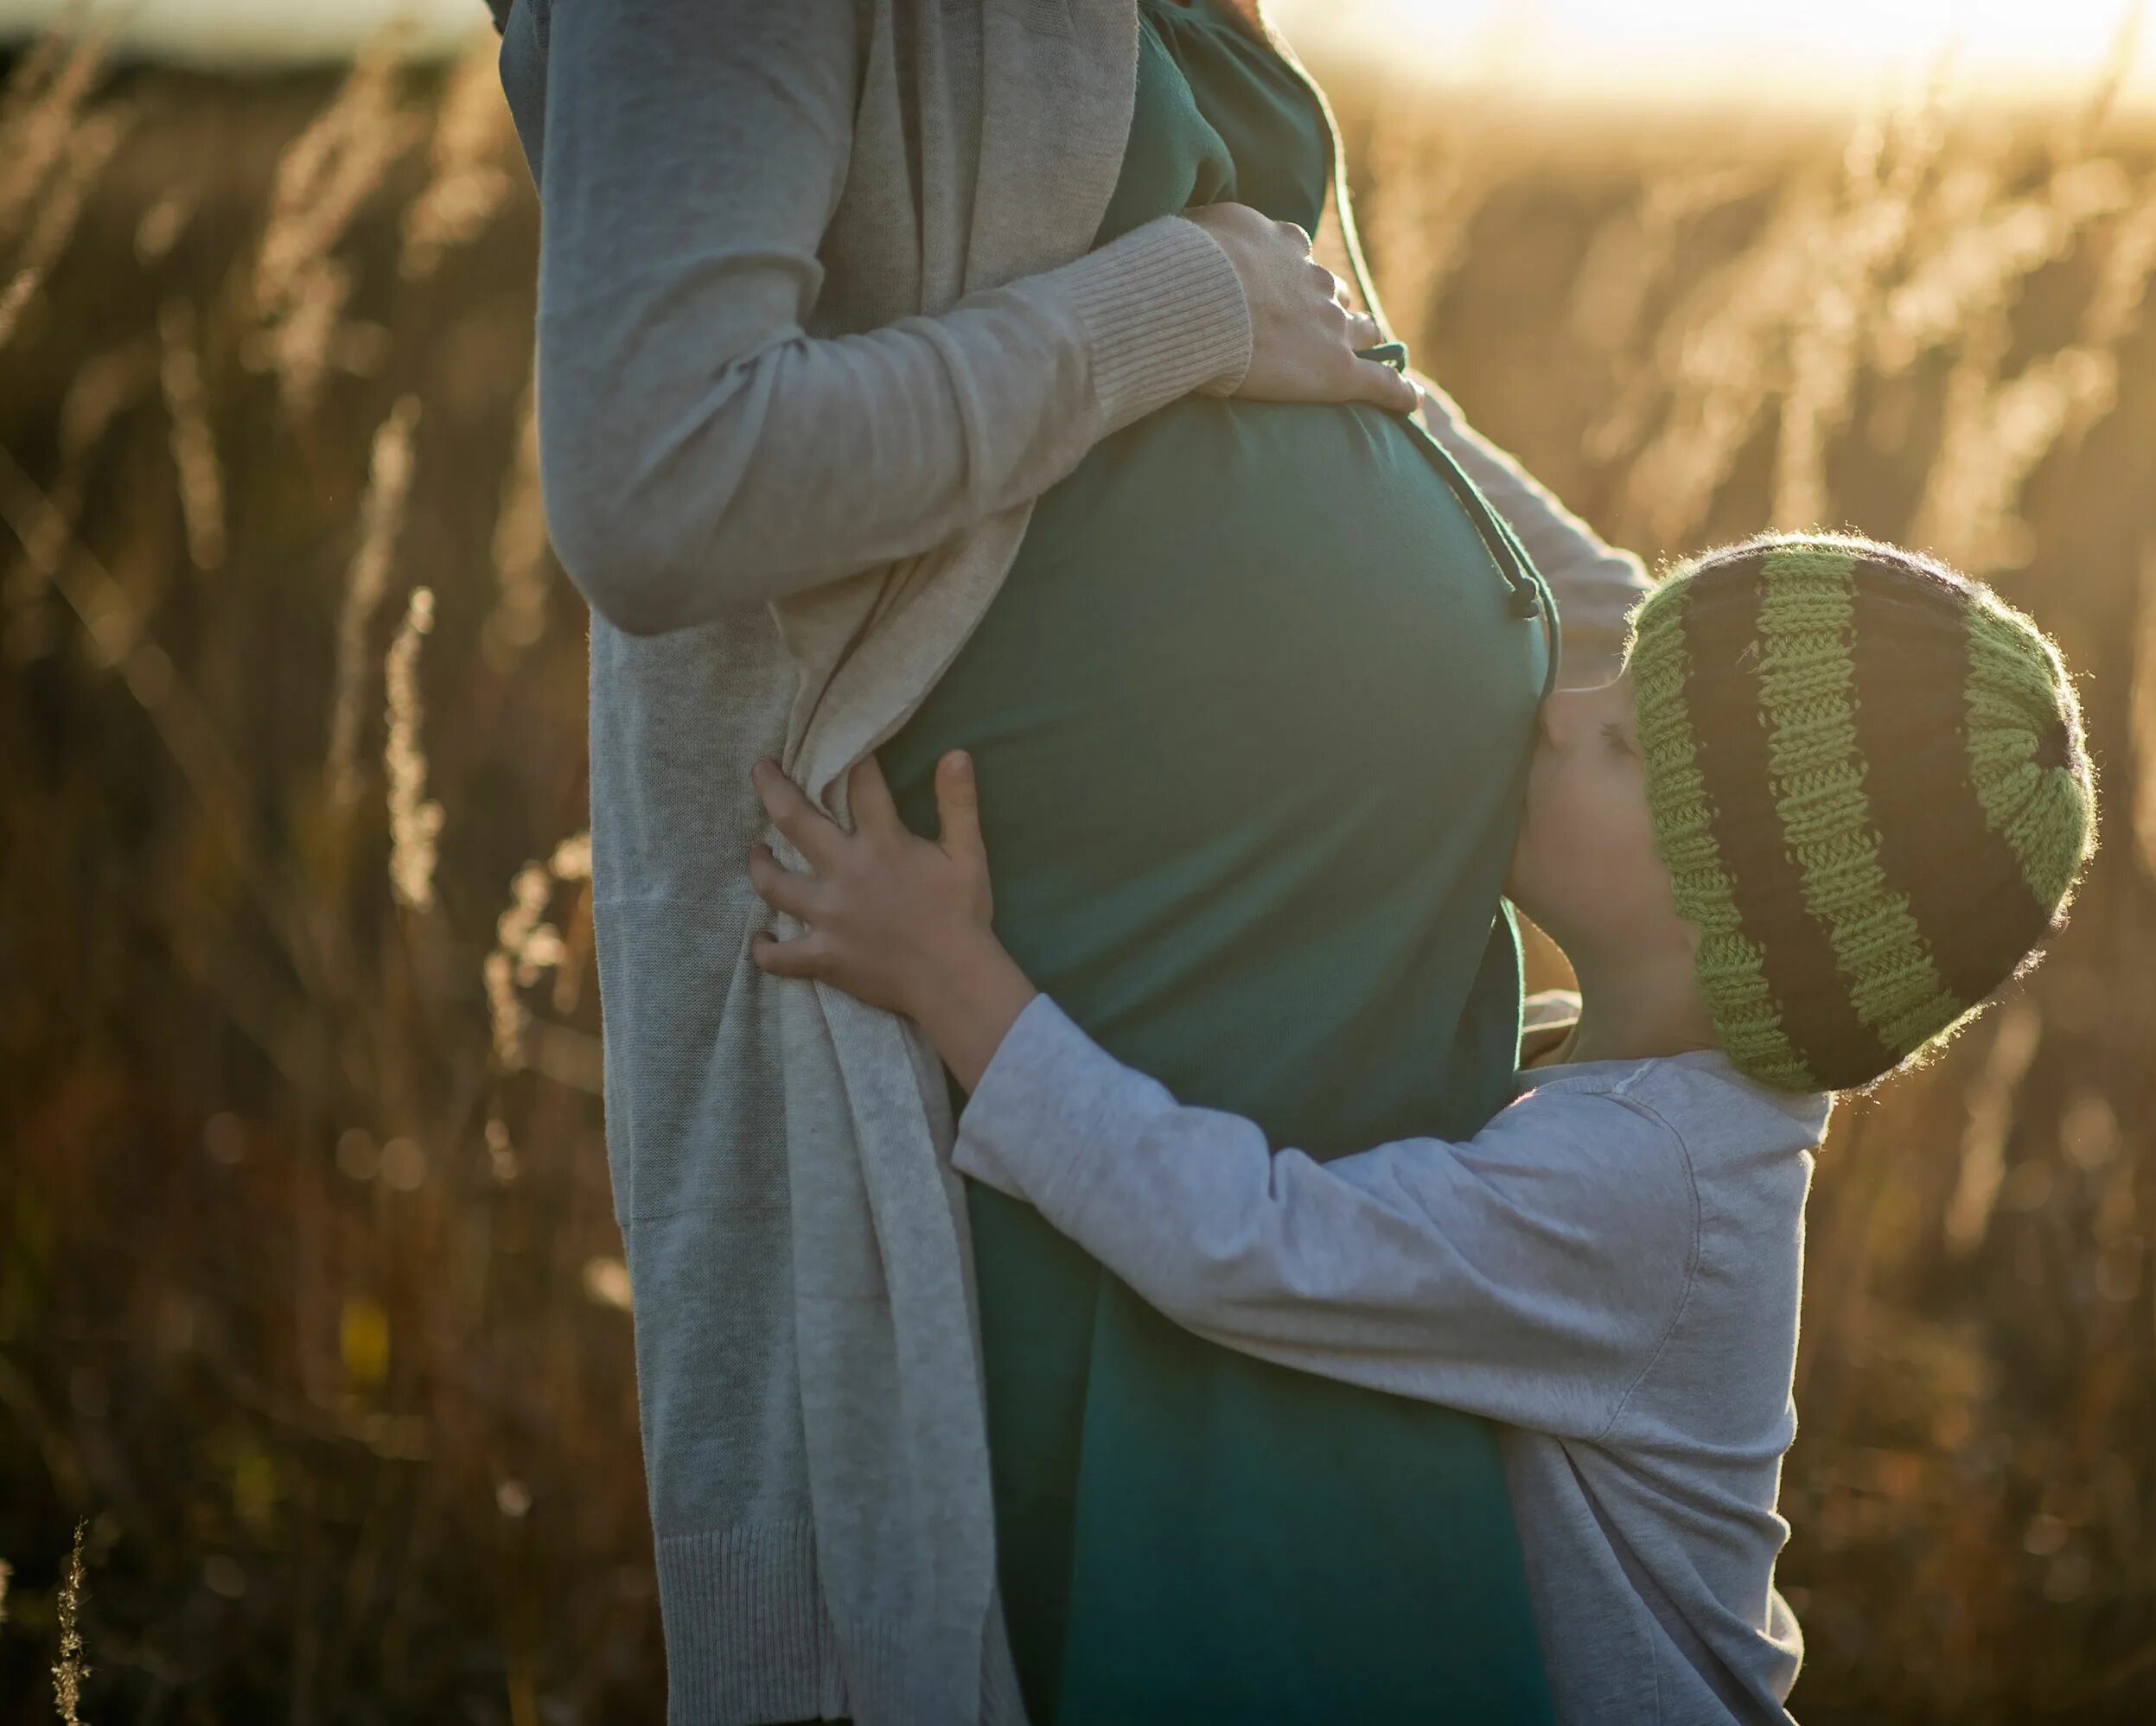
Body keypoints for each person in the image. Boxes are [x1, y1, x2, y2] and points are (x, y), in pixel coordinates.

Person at [493, 0, 1649, 1719]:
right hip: (1050, 1148)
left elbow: (1328, 350)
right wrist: (1165, 312)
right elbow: (662, 475)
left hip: (1325, 1138)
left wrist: (1691, 675)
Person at [742, 535, 2101, 1725]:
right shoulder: (1678, 1094)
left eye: (1621, 743)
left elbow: (1249, 1245)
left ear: (1729, 932)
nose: (1558, 715)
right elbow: (1547, 548)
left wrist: (956, 981)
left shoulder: (1642, 1188)